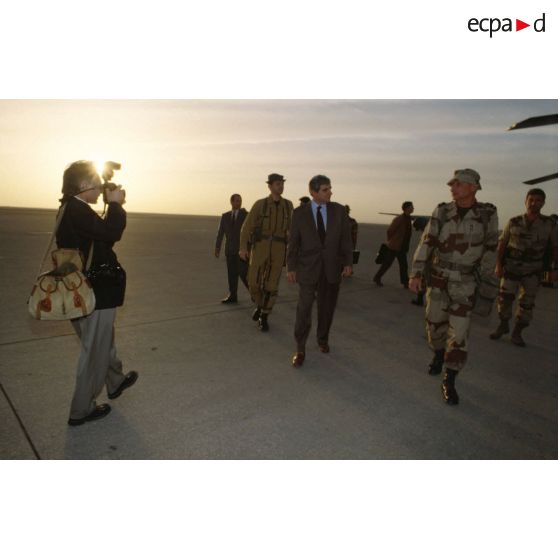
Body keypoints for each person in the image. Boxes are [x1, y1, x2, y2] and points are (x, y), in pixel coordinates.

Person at [56, 160, 138, 426]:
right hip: (94, 290)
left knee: (102, 340)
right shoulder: (78, 211)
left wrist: (107, 195)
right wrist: (115, 204)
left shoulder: (70, 208)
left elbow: (101, 238)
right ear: (82, 186)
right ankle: (81, 410)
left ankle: (114, 381)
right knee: (94, 350)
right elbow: (112, 232)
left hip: (77, 289)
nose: (100, 189)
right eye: (97, 185)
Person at [409, 169, 498, 405]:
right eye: (453, 184)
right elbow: (426, 242)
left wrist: (488, 279)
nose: (452, 188)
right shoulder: (442, 211)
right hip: (438, 279)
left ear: (473, 187)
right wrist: (416, 273)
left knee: (458, 334)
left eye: (458, 184)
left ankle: (450, 377)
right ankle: (438, 353)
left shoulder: (487, 214)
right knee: (434, 327)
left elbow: (491, 247)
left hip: (466, 283)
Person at [287, 175, 353, 367]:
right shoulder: (300, 213)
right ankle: (300, 347)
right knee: (304, 309)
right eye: (325, 189)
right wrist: (291, 267)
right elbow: (293, 243)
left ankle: (322, 340)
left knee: (327, 309)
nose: (330, 192)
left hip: (331, 269)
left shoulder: (339, 211)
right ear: (313, 192)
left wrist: (348, 262)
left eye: (330, 188)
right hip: (308, 269)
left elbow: (346, 240)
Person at [490, 189, 558, 346]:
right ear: (526, 201)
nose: (534, 203)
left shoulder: (550, 225)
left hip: (533, 271)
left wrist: (555, 270)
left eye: (538, 200)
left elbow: (555, 248)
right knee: (503, 299)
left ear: (543, 203)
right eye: (531, 200)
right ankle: (503, 325)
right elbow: (502, 244)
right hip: (511, 268)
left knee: (527, 304)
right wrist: (498, 265)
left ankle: (517, 332)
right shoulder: (514, 221)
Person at [239, 173, 294, 331]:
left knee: (272, 286)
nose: (281, 186)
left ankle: (264, 315)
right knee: (253, 282)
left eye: (282, 184)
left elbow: (293, 229)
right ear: (270, 186)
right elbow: (246, 227)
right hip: (260, 248)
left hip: (279, 249)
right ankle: (260, 304)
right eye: (277, 184)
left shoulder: (288, 206)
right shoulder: (260, 205)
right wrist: (243, 247)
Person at [215, 193, 248, 303]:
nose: (239, 202)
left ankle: (255, 295)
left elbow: (250, 232)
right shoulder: (225, 216)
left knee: (244, 274)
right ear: (232, 202)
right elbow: (220, 233)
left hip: (242, 251)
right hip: (229, 250)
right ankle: (232, 296)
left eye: (240, 200)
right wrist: (217, 248)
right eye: (237, 200)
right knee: (231, 275)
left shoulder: (246, 215)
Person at [373, 201, 414, 287]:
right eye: (411, 207)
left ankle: (405, 282)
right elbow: (390, 231)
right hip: (394, 246)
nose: (413, 208)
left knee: (403, 265)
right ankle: (377, 277)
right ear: (407, 208)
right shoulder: (399, 219)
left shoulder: (408, 218)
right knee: (387, 264)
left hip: (402, 246)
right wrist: (392, 241)